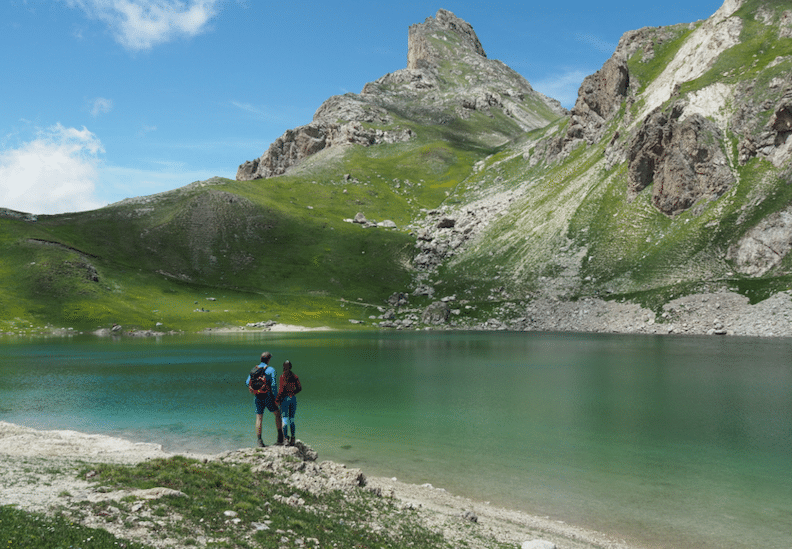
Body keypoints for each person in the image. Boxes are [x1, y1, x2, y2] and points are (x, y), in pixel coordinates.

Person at [246, 351, 283, 447]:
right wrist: (277, 399)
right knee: (277, 414)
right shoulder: (271, 370)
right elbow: (274, 385)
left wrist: (253, 389)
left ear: (261, 359)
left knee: (259, 417)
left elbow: (247, 382)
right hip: (268, 396)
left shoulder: (255, 369)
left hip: (257, 396)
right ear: (269, 359)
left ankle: (259, 441)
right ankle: (280, 437)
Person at [275, 360, 301, 446]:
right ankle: (293, 438)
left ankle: (286, 439)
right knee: (292, 419)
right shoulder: (295, 376)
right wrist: (293, 393)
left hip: (285, 399)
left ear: (283, 367)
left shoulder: (282, 377)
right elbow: (299, 388)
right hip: (293, 399)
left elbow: (281, 390)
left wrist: (277, 400)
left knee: (285, 419)